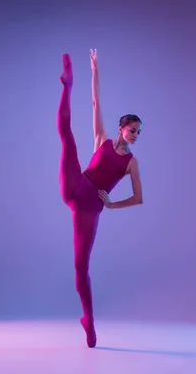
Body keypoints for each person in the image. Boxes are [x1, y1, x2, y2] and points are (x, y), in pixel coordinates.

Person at [56, 49, 143, 348]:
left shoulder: (130, 163)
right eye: (132, 130)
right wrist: (94, 71)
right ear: (121, 128)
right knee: (67, 138)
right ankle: (66, 86)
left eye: (138, 133)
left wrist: (111, 204)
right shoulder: (102, 139)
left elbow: (138, 197)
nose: (135, 135)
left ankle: (88, 321)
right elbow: (96, 102)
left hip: (91, 208)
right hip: (76, 186)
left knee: (80, 267)